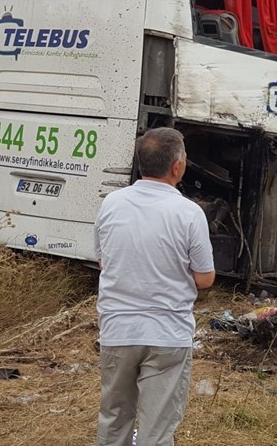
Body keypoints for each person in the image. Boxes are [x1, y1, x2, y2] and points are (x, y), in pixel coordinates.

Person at [94, 128, 216, 446]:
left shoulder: (112, 204)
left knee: (113, 421)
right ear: (177, 166)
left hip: (117, 330)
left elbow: (104, 262)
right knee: (156, 433)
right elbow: (205, 278)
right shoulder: (190, 213)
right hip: (167, 335)